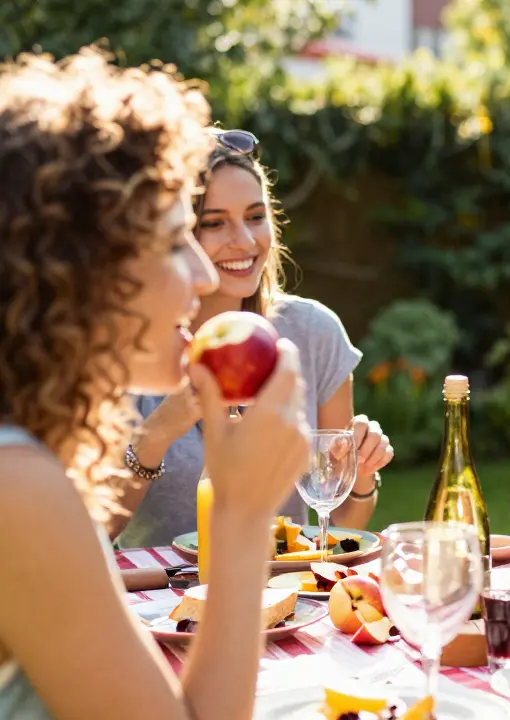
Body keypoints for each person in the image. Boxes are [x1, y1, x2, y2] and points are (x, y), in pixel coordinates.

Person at [0, 48, 310, 718]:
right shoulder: (15, 485)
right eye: (177, 242)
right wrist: (241, 512)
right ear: (81, 270)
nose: (204, 277)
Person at [112, 131, 394, 547]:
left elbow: (335, 536)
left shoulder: (314, 332)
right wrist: (157, 433)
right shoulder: (135, 350)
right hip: (159, 603)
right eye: (214, 223)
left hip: (289, 600)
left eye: (256, 216)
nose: (245, 241)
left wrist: (362, 476)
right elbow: (89, 536)